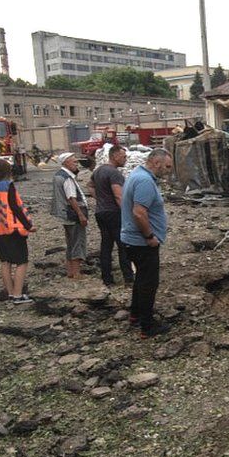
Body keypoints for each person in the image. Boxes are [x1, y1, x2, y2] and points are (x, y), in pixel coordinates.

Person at [121, 148, 174, 337]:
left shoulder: (138, 174)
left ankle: (136, 314)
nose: (168, 170)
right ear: (156, 162)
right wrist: (149, 236)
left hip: (133, 239)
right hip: (142, 242)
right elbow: (138, 212)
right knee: (149, 283)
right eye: (167, 166)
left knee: (141, 279)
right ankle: (147, 326)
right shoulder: (144, 181)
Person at [0, 158, 36, 304]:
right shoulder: (8, 186)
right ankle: (18, 295)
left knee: (5, 262)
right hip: (12, 230)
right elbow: (15, 207)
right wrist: (28, 225)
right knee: (22, 262)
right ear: (7, 171)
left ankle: (10, 293)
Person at [89, 144, 133, 286]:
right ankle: (128, 278)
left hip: (100, 212)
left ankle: (107, 278)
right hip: (114, 213)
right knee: (123, 245)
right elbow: (118, 196)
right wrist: (128, 214)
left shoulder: (98, 170)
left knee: (106, 246)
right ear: (114, 156)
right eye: (123, 156)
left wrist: (100, 199)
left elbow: (90, 185)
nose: (125, 159)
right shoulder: (114, 173)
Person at [50, 152, 89, 279]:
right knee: (77, 242)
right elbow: (71, 198)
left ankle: (70, 272)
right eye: (74, 161)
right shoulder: (67, 178)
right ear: (66, 162)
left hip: (64, 215)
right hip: (72, 215)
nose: (76, 164)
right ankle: (77, 273)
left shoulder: (58, 176)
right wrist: (81, 215)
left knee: (70, 243)